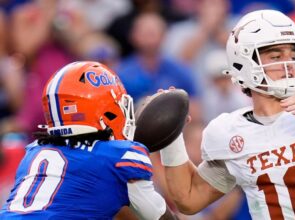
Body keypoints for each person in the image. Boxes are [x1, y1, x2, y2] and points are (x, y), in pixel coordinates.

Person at [159, 10, 295, 219]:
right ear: (243, 63)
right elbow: (188, 198)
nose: (289, 64)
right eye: (276, 56)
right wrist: (171, 136)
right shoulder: (230, 132)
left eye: (293, 54)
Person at [0, 61, 177, 220]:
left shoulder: (33, 151)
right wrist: (173, 137)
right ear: (106, 112)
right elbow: (159, 217)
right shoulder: (118, 156)